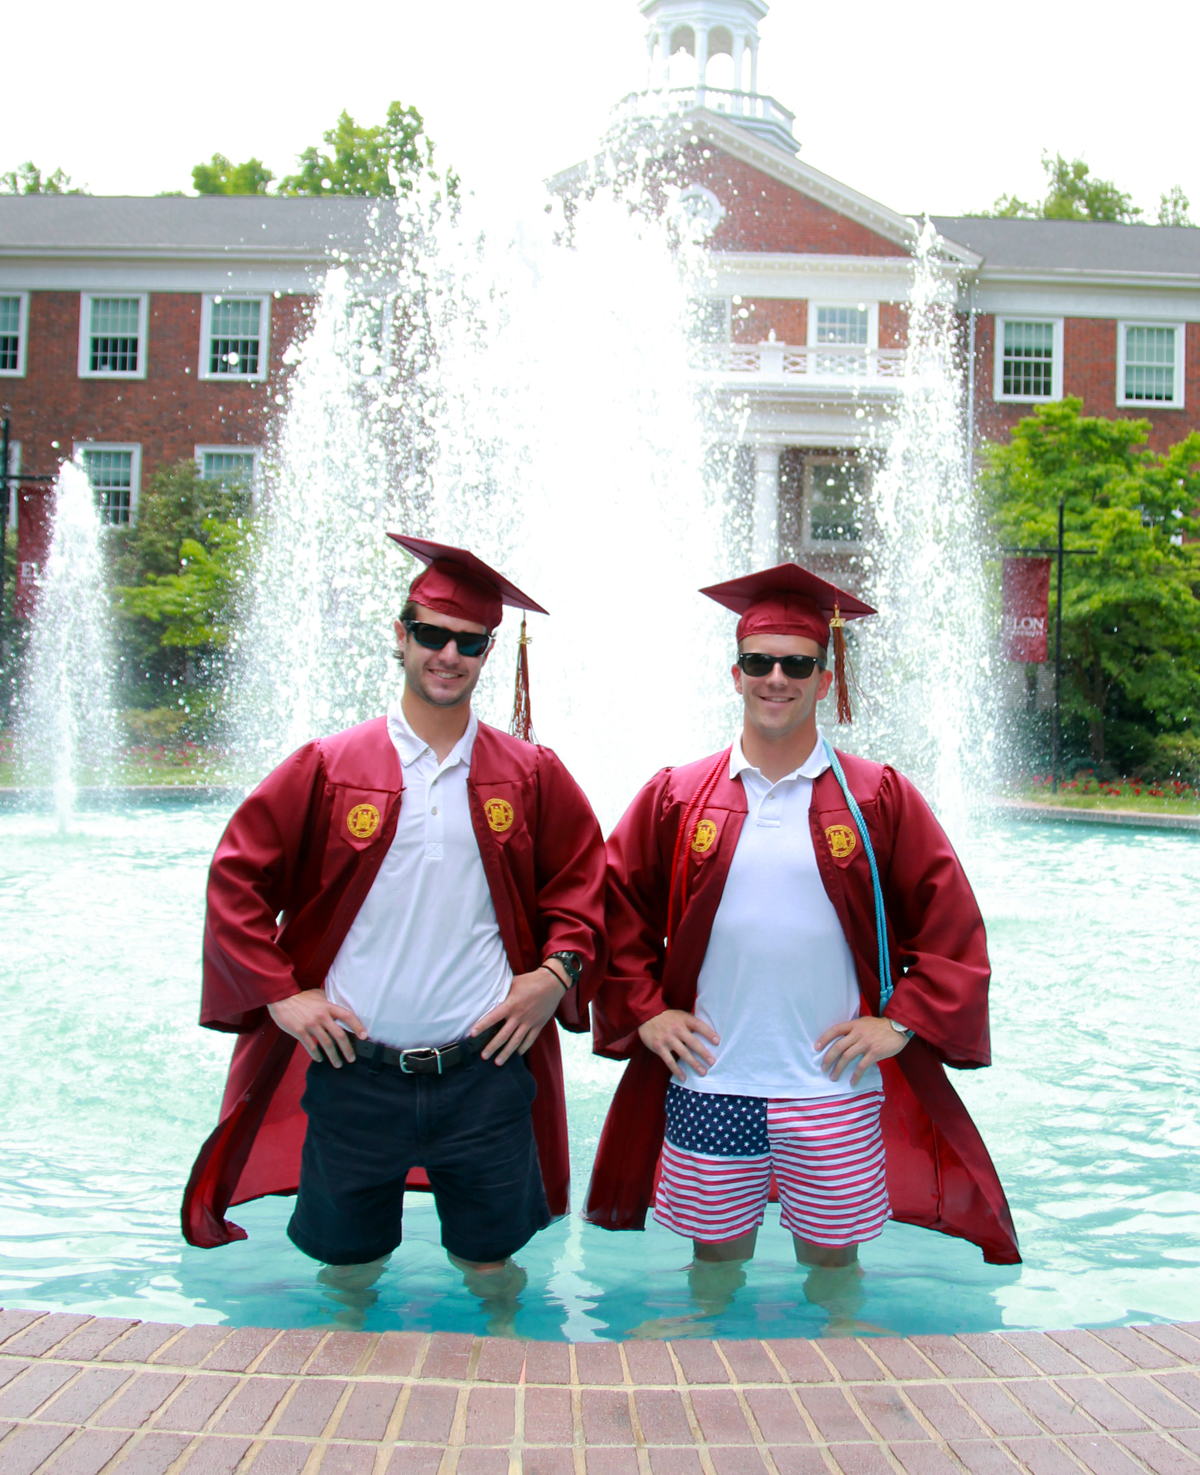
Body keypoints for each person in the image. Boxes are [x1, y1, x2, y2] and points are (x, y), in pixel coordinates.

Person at [183, 535, 607, 1320]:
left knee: (491, 1267)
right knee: (348, 1268)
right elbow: (236, 878)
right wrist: (281, 996)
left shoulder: (530, 775)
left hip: (484, 1071)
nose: (448, 655)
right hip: (356, 1071)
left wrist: (555, 977)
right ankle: (343, 1420)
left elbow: (585, 887)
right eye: (431, 635)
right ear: (401, 635)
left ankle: (514, 1398)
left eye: (468, 642)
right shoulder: (329, 766)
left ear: (489, 653)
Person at [585, 560, 1018, 1316]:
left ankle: (836, 1405)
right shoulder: (680, 795)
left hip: (830, 1085)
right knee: (712, 1271)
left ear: (826, 677)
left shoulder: (877, 795)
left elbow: (949, 919)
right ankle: (711, 1405)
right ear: (736, 674)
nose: (776, 678)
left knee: (835, 1272)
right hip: (711, 1077)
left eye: (797, 663)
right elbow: (612, 902)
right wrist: (645, 1008)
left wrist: (903, 1021)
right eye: (760, 662)